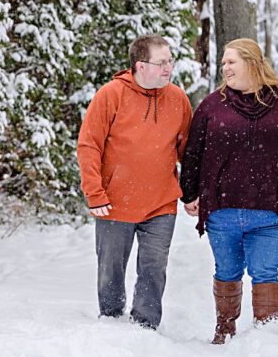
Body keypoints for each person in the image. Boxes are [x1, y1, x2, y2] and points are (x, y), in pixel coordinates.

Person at [179, 38, 278, 345]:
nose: (225, 68)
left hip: (271, 211)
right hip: (222, 210)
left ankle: (267, 339)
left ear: (252, 62)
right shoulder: (212, 105)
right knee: (227, 270)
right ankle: (225, 329)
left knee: (265, 272)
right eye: (223, 64)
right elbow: (193, 152)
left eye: (231, 62)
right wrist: (189, 193)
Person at [76, 34, 193, 330]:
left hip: (161, 202)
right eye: (161, 62)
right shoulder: (111, 94)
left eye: (170, 60)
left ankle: (145, 327)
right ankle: (112, 322)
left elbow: (188, 152)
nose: (168, 67)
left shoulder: (178, 99)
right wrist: (95, 192)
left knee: (154, 267)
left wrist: (192, 192)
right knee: (111, 269)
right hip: (114, 202)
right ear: (141, 66)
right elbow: (89, 145)